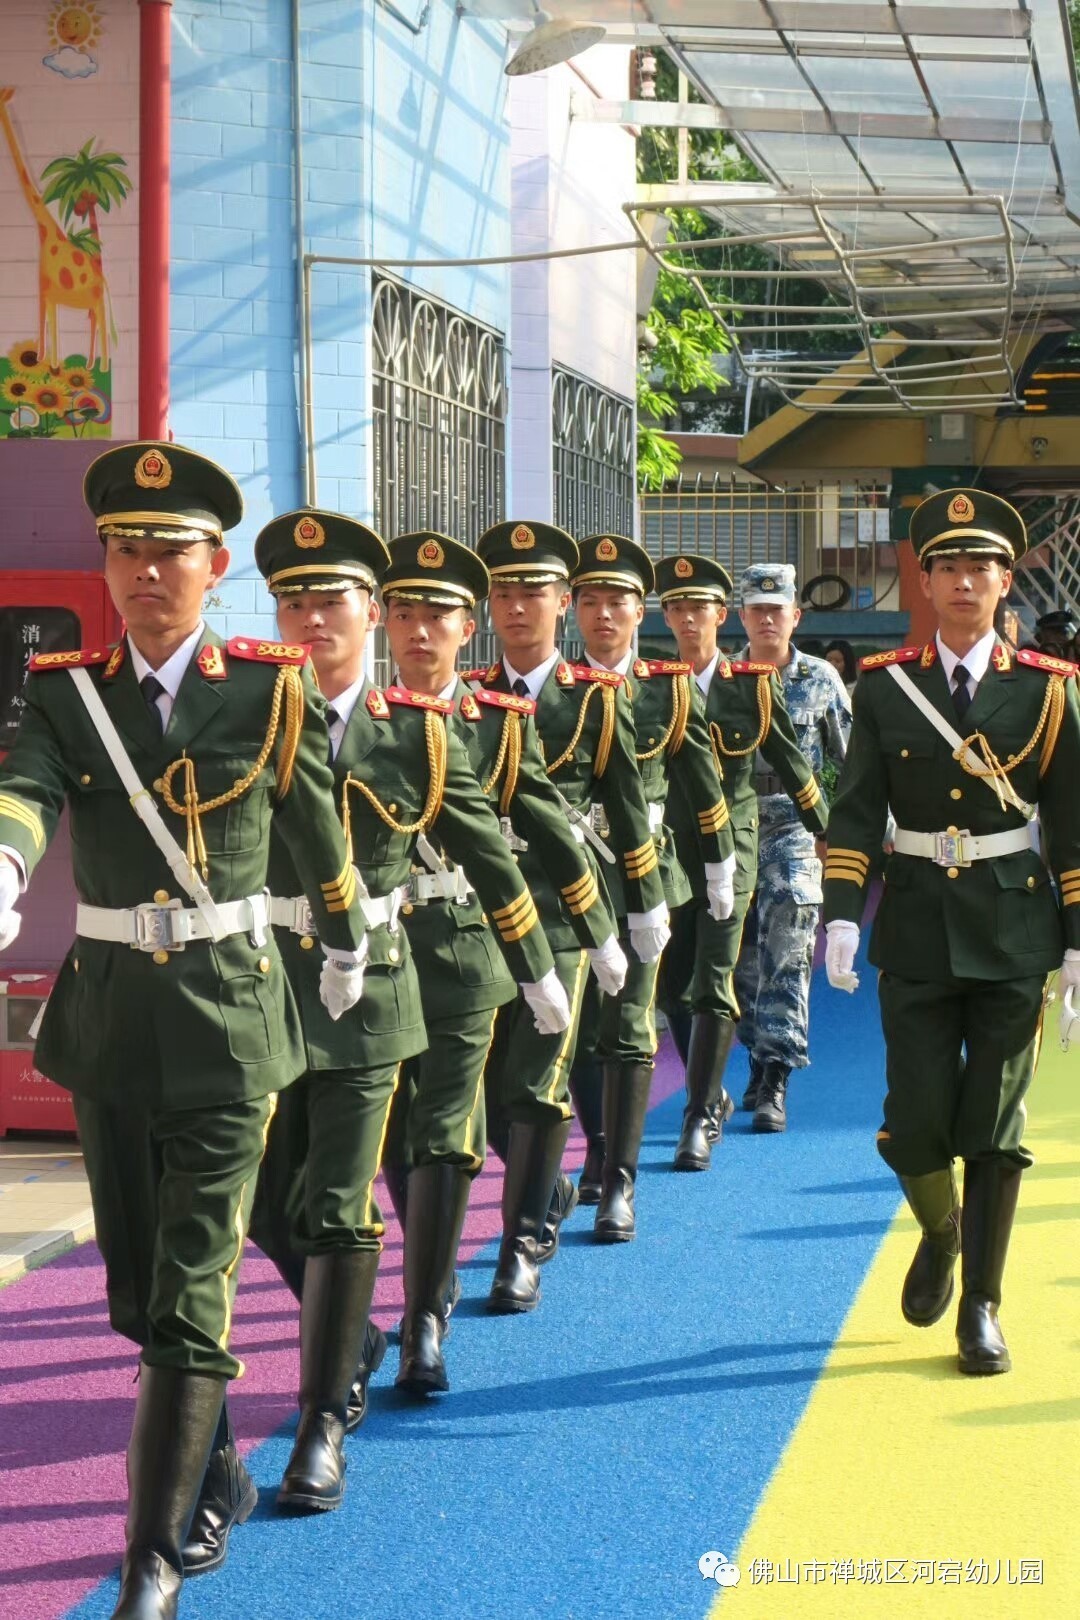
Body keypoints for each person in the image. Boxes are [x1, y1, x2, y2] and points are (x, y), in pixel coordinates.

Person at [0, 444, 368, 1620]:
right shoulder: (66, 691)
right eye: (126, 547)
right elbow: (26, 783)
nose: (146, 569)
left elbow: (316, 829)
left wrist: (349, 938)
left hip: (229, 1017)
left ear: (215, 568)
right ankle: (210, 1459)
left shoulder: (268, 686)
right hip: (108, 1022)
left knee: (195, 1281)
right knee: (132, 1290)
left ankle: (150, 1556)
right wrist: (4, 856)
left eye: (170, 550)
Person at [244, 512, 570, 1505]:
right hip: (274, 985)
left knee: (405, 1160)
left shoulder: (433, 730)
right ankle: (359, 1325)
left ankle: (338, 1399)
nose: (310, 617)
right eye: (292, 599)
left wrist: (550, 960)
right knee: (267, 1198)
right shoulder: (244, 713)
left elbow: (502, 845)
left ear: (367, 614)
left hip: (403, 967)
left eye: (329, 599)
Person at [823, 488, 1080, 1376]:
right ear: (924, 582)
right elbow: (855, 813)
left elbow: (1075, 824)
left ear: (1008, 582)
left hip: (1015, 930)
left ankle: (984, 1307)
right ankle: (943, 1230)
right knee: (914, 1125)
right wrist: (840, 918)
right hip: (920, 927)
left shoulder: (1048, 690)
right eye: (949, 567)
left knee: (996, 1128)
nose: (966, 581)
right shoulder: (887, 687)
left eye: (983, 566)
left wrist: (1078, 940)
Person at [378, 531, 623, 1390]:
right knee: (397, 1142)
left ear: (465, 624)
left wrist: (601, 932)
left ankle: (428, 1314)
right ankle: (427, 1271)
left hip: (471, 949)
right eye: (403, 614)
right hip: (374, 957)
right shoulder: (357, 719)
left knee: (451, 1130)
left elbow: (556, 834)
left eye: (437, 614)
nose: (418, 632)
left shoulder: (495, 724)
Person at [474, 519, 670, 1310]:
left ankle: (520, 1243)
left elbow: (626, 803)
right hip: (482, 912)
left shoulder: (593, 699)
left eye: (533, 592)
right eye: (504, 592)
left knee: (541, 1078)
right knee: (482, 1091)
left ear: (561, 602)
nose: (518, 607)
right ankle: (547, 1181)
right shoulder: (468, 696)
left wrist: (646, 903)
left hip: (569, 908)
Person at [566, 534, 735, 1240]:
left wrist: (721, 863)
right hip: (569, 875)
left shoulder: (666, 688)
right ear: (574, 610)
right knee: (574, 1034)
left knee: (632, 1019)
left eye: (619, 602)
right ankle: (598, 1151)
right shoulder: (555, 689)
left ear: (642, 612)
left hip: (643, 875)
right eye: (591, 601)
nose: (604, 615)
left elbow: (701, 780)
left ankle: (621, 1183)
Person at [654, 554, 828, 1168]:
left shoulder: (754, 686)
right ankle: (725, 1085)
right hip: (673, 856)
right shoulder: (653, 685)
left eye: (698, 608)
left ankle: (715, 1104)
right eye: (676, 607)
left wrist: (838, 839)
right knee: (675, 983)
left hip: (753, 845)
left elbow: (806, 767)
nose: (687, 618)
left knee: (732, 966)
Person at [732, 565, 851, 1132]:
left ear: (795, 617)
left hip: (794, 827)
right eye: (756, 609)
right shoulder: (721, 676)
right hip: (729, 828)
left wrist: (867, 829)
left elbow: (853, 764)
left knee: (790, 928)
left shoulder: (821, 679)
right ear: (742, 617)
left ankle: (776, 1070)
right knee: (738, 960)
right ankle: (755, 1053)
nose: (767, 619)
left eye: (776, 610)